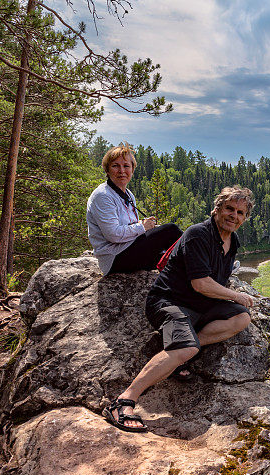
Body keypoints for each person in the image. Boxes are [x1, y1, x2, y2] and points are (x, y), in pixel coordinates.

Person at [102, 186, 256, 432]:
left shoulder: (232, 240)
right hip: (169, 302)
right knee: (186, 346)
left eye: (240, 212)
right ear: (216, 209)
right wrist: (236, 295)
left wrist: (233, 300)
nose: (233, 215)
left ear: (245, 218)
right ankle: (124, 401)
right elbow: (201, 283)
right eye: (229, 208)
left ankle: (180, 350)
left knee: (241, 318)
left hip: (200, 305)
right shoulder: (198, 234)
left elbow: (217, 279)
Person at [86, 143, 182, 275]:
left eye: (126, 166)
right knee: (171, 230)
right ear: (107, 170)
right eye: (115, 166)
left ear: (132, 169)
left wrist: (147, 227)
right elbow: (113, 234)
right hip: (114, 258)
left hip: (128, 251)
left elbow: (129, 227)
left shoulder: (128, 194)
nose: (122, 171)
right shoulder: (103, 195)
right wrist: (142, 227)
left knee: (173, 259)